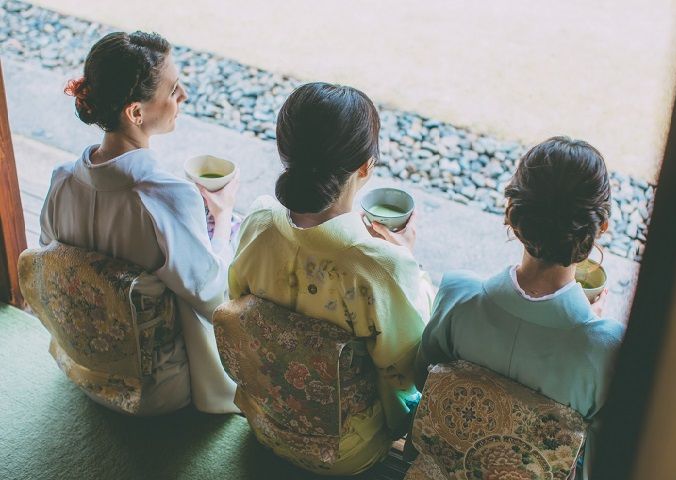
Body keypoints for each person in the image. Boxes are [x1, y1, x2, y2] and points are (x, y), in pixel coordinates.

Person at [228, 82, 433, 475]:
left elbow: (237, 306)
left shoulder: (259, 222)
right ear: (366, 167)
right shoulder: (378, 265)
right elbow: (409, 368)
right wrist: (406, 259)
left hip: (264, 418)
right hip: (346, 450)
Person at [40, 31, 240, 415]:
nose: (184, 97)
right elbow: (214, 297)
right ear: (135, 113)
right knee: (241, 236)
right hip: (156, 388)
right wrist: (222, 213)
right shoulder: (165, 196)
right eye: (175, 89)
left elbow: (51, 257)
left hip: (84, 364)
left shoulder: (62, 180)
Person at [415, 136, 625, 479]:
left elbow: (421, 379)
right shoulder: (606, 347)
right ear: (600, 227)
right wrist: (590, 330)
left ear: (511, 213)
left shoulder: (459, 295)